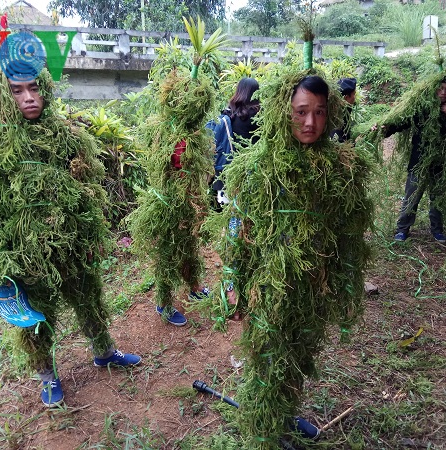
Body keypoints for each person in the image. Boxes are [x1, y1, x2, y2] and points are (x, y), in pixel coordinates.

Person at [0, 65, 141, 407]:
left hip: (72, 245)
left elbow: (88, 192)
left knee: (89, 300)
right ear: (3, 96)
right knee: (36, 317)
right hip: (28, 253)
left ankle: (104, 351)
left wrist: (92, 236)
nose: (29, 98)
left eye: (34, 88)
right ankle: (47, 375)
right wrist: (2, 257)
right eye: (17, 90)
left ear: (45, 89)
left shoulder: (67, 137)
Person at [221, 72, 372, 448]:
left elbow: (349, 235)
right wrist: (232, 284)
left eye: (320, 112)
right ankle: (263, 434)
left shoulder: (340, 169)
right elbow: (236, 230)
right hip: (268, 289)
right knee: (267, 364)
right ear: (282, 112)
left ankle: (285, 416)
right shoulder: (257, 168)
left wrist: (345, 284)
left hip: (313, 289)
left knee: (297, 358)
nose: (310, 122)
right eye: (301, 111)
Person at [126, 68, 214, 327]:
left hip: (190, 203)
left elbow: (201, 167)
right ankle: (163, 304)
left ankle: (194, 287)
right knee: (167, 255)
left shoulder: (195, 133)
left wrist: (198, 196)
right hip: (168, 205)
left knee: (190, 249)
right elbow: (159, 171)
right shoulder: (164, 131)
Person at [376, 71, 446, 243]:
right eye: (440, 88)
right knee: (412, 195)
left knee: (438, 197)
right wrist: (385, 129)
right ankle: (402, 229)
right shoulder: (422, 108)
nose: (443, 92)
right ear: (434, 89)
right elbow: (403, 122)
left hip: (441, 162)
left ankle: (437, 230)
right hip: (419, 161)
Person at [209, 77, 260, 208]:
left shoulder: (229, 113)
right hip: (250, 175)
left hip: (225, 174)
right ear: (256, 92)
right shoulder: (257, 116)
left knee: (230, 214)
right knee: (248, 214)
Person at [330, 77, 356, 142]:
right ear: (346, 98)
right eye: (354, 94)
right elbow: (338, 139)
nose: (355, 98)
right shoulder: (337, 117)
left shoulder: (345, 109)